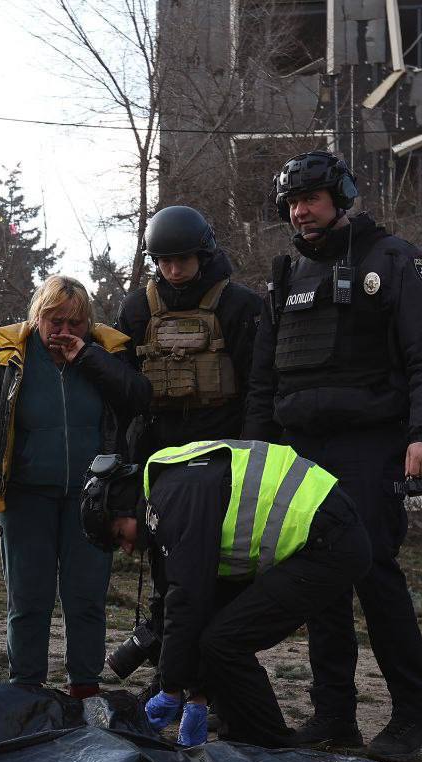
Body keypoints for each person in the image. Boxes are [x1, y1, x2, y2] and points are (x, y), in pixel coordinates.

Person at [243, 151, 422, 761]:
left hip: (371, 442)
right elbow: (264, 379)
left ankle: (413, 716)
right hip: (299, 450)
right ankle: (334, 715)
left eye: (310, 198)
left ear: (341, 196)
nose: (300, 211)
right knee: (318, 583)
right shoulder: (284, 277)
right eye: (291, 203)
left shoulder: (391, 259)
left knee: (374, 574)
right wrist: (257, 451)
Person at [78, 441, 371, 748]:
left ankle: (274, 746)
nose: (126, 548)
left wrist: (171, 689)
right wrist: (197, 694)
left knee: (225, 642)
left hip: (329, 544)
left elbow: (187, 601)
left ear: (125, 506)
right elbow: (185, 605)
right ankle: (242, 736)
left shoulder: (174, 502)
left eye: (118, 536)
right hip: (324, 533)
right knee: (219, 637)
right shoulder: (166, 488)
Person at [0, 276, 151, 697]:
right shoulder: (8, 356)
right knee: (28, 598)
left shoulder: (109, 353)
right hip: (25, 496)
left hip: (93, 502)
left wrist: (87, 358)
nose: (63, 331)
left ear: (88, 324)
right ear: (37, 318)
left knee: (86, 598)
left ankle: (84, 688)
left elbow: (138, 399)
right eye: (54, 320)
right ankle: (25, 687)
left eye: (74, 323)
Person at [113, 204, 263, 683]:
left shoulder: (239, 305)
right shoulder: (137, 309)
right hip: (160, 459)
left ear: (203, 254)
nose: (173, 270)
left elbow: (260, 387)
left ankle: (211, 685)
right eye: (163, 261)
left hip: (222, 457)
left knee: (221, 578)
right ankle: (170, 678)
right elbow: (124, 392)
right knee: (167, 576)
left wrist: (253, 453)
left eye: (182, 259)